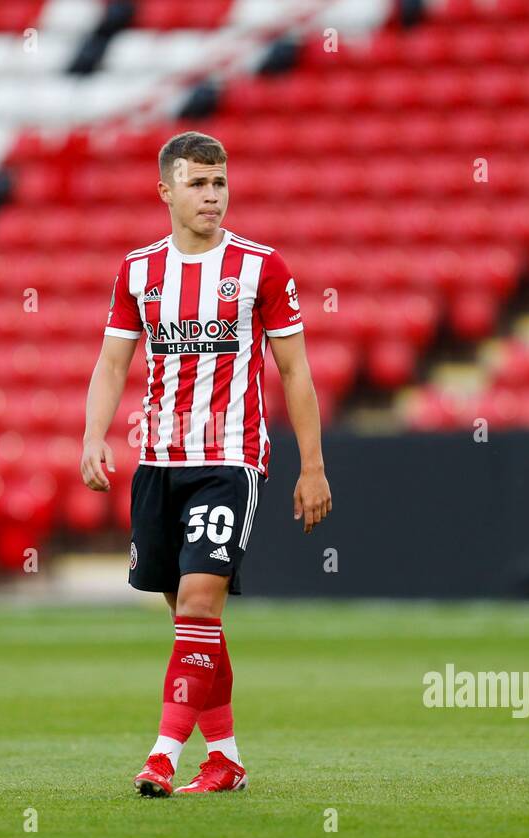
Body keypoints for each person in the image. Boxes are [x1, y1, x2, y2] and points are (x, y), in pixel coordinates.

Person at [79, 131, 332, 796]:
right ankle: (226, 761)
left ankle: (161, 756)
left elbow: (295, 369)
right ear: (165, 190)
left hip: (229, 460)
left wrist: (313, 466)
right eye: (197, 183)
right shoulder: (138, 271)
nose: (212, 196)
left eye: (219, 183)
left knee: (197, 603)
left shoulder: (262, 267)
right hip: (158, 462)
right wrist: (93, 434)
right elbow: (112, 362)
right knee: (194, 623)